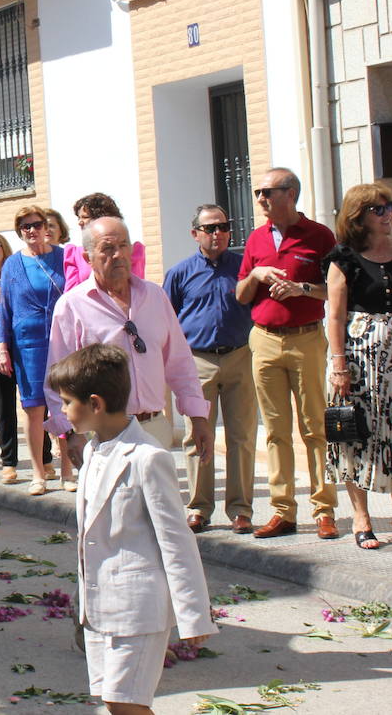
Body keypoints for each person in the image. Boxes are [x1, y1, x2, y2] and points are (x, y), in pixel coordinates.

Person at [47, 344, 215, 715]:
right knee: (115, 702)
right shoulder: (92, 451)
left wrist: (193, 613)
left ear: (95, 404)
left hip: (138, 607)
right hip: (100, 606)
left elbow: (175, 540)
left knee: (125, 704)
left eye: (65, 402)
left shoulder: (147, 457)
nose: (60, 410)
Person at [46, 217, 215, 477]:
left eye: (124, 246)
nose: (118, 255)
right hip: (104, 432)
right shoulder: (72, 306)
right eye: (107, 248)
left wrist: (198, 417)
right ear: (88, 257)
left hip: (154, 426)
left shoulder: (155, 296)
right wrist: (69, 433)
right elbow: (58, 376)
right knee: (116, 513)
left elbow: (180, 362)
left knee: (158, 511)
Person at [236, 167, 339, 540]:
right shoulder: (256, 239)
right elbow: (241, 295)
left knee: (314, 426)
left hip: (306, 339)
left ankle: (324, 510)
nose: (261, 199)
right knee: (276, 430)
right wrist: (257, 275)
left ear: (291, 193)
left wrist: (301, 289)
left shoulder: (320, 236)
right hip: (264, 339)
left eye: (268, 191)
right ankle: (283, 511)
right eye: (258, 191)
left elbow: (336, 290)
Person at [164, 205, 257, 535]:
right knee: (196, 436)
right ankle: (199, 507)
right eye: (210, 228)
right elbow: (168, 321)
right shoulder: (180, 273)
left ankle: (241, 509)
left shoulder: (244, 266)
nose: (217, 233)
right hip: (197, 361)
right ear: (195, 234)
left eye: (223, 226)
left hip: (240, 356)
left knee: (242, 436)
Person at [324, 183, 392, 550]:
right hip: (356, 358)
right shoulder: (344, 258)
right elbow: (335, 315)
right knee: (353, 433)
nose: (387, 214)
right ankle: (361, 517)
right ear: (359, 217)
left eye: (389, 207)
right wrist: (338, 365)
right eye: (379, 210)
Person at [0, 206, 69, 494]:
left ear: (45, 226)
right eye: (25, 226)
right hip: (27, 343)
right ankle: (38, 472)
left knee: (64, 404)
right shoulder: (12, 264)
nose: (31, 230)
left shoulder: (63, 257)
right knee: (33, 407)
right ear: (19, 231)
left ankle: (67, 470)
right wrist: (3, 348)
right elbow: (5, 309)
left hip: (61, 339)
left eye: (36, 224)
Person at [0, 228, 49, 484]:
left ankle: (46, 458)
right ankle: (9, 462)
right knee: (3, 406)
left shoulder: (17, 271)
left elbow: (13, 299)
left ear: (3, 246)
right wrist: (20, 292)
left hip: (23, 344)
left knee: (36, 404)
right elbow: (2, 296)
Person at [64, 193, 146, 289]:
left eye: (85, 217)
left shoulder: (132, 251)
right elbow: (71, 291)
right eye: (78, 217)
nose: (80, 222)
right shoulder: (74, 254)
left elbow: (136, 287)